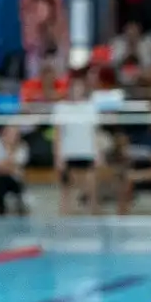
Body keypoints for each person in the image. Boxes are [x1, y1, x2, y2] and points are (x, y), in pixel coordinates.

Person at [54, 71, 102, 214]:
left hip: (87, 151)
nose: (76, 90)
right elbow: (58, 134)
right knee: (65, 190)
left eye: (79, 87)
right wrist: (57, 156)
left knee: (91, 188)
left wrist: (98, 153)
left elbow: (95, 133)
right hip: (68, 152)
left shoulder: (90, 107)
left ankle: (93, 218)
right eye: (74, 87)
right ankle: (64, 222)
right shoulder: (61, 107)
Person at [19, 0, 67, 82]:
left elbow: (59, 15)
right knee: (35, 78)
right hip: (36, 44)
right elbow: (26, 14)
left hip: (55, 42)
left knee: (59, 77)